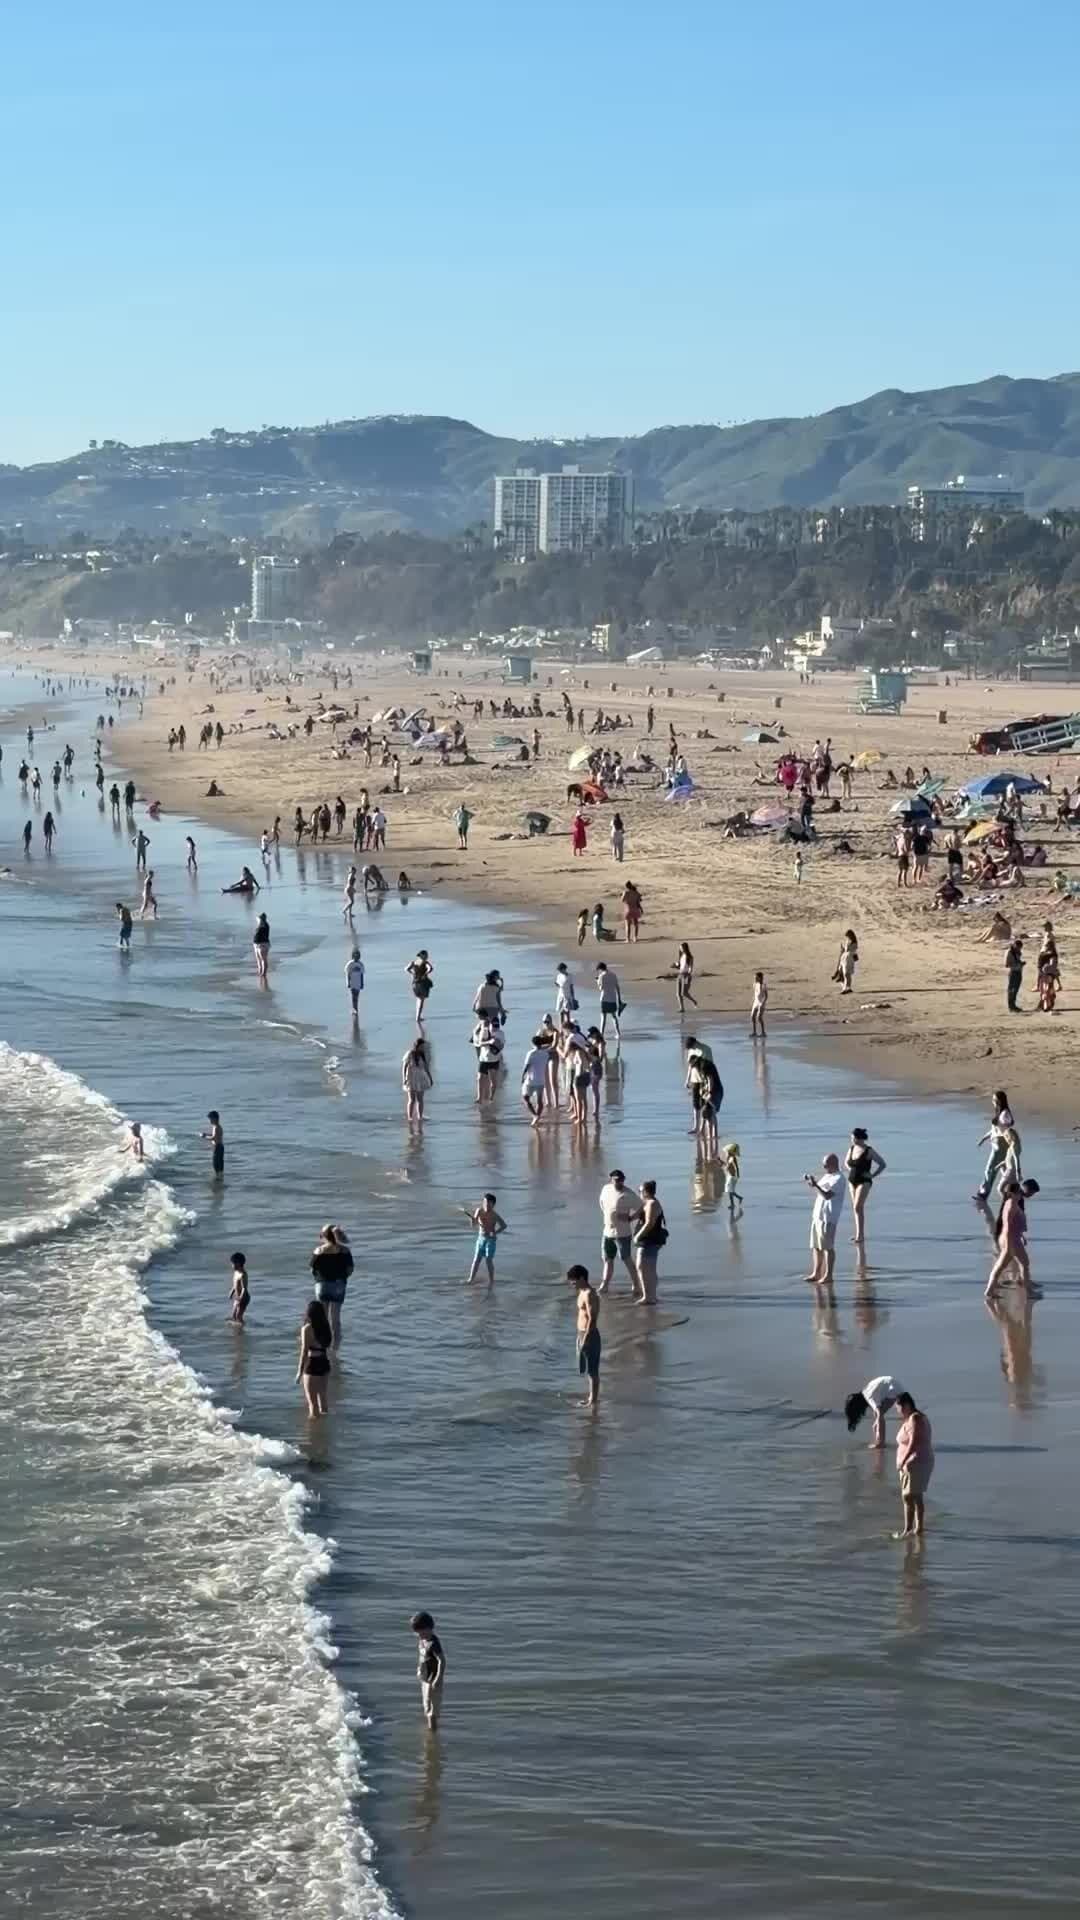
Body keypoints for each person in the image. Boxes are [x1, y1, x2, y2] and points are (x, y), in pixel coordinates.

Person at [986, 1178, 1040, 1298]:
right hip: (1011, 1239)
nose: (1031, 1196)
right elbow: (1007, 1225)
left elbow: (1013, 1223)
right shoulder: (1012, 1204)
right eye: (1031, 1193)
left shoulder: (1013, 1202)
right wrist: (1009, 1243)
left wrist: (1020, 1235)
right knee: (1011, 1265)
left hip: (1012, 1238)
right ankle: (1028, 1291)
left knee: (1018, 1264)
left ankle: (1024, 1286)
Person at [893, 1393, 933, 1539]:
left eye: (898, 1407)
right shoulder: (913, 1418)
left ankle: (908, 1530)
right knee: (915, 1496)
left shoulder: (915, 1418)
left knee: (909, 1497)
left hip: (916, 1462)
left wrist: (903, 1461)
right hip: (913, 1463)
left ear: (906, 1405)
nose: (897, 1411)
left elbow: (913, 1442)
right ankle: (917, 1529)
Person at [598, 1169, 641, 1294]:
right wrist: (609, 1217)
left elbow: (642, 1208)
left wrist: (631, 1218)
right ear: (611, 1179)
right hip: (607, 1231)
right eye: (616, 1180)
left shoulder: (629, 1194)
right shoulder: (606, 1189)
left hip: (622, 1233)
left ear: (624, 1180)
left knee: (626, 1259)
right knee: (607, 1259)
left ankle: (636, 1285)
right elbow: (602, 1204)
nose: (619, 1182)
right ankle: (604, 1285)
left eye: (621, 1180)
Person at [804, 1153, 844, 1286]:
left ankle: (828, 1275)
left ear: (833, 1164)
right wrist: (813, 1184)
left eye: (825, 1165)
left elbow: (827, 1195)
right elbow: (819, 1190)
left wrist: (816, 1185)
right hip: (818, 1215)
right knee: (816, 1246)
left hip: (829, 1217)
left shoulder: (839, 1179)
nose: (824, 1167)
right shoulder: (827, 1176)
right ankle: (816, 1273)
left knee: (827, 1247)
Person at [311, 1223, 354, 1345]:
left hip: (322, 1286)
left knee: (323, 1318)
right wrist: (342, 1278)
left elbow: (312, 1269)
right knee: (335, 1319)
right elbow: (350, 1269)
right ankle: (335, 1347)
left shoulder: (319, 1250)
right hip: (338, 1286)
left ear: (324, 1236)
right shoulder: (345, 1250)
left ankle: (323, 1345)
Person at [844, 1127, 886, 1248]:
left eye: (853, 1138)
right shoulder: (852, 1149)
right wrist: (851, 1170)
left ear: (859, 1138)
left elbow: (882, 1164)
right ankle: (859, 1234)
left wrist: (872, 1175)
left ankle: (860, 1235)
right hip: (852, 1181)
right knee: (856, 1209)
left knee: (857, 1206)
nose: (852, 1140)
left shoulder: (868, 1150)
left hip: (864, 1181)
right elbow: (846, 1162)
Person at [845, 1374, 906, 1449]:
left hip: (892, 1389)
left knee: (879, 1415)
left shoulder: (869, 1396)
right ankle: (878, 1439)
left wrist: (881, 1442)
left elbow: (879, 1413)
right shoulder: (866, 1391)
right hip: (895, 1386)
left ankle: (881, 1443)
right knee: (876, 1419)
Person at [975, 1091, 1015, 1200]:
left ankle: (983, 1193)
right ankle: (1014, 1191)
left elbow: (1007, 1129)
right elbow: (994, 1130)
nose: (993, 1101)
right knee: (1004, 1170)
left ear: (1000, 1101)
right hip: (997, 1146)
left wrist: (1007, 1136)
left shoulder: (1005, 1114)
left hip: (1001, 1146)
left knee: (990, 1169)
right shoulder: (1000, 1113)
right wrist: (983, 1138)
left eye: (994, 1100)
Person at [571, 1264, 602, 1410]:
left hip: (590, 1334)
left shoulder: (590, 1294)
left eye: (574, 1280)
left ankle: (593, 1401)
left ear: (582, 1278)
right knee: (585, 1369)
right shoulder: (581, 1291)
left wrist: (586, 1339)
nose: (572, 1283)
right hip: (581, 1333)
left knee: (592, 1370)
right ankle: (591, 1397)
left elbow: (592, 1319)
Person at [296, 1299, 332, 1418]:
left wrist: (299, 1372)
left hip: (312, 1365)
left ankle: (314, 1428)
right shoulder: (325, 1327)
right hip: (324, 1363)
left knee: (312, 1404)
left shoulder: (307, 1329)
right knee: (323, 1400)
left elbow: (304, 1352)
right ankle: (325, 1425)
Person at [410, 1611, 446, 1731]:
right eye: (417, 1633)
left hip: (434, 1679)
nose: (419, 1635)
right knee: (426, 1706)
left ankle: (432, 1733)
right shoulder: (422, 1640)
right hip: (425, 1677)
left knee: (432, 1710)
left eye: (421, 1632)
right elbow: (422, 1656)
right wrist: (419, 1669)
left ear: (429, 1628)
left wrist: (438, 1678)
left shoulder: (434, 1643)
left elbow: (442, 1661)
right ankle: (430, 1731)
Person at [633, 1180, 667, 1304]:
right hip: (649, 1240)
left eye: (640, 1191)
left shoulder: (652, 1203)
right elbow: (638, 1214)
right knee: (649, 1268)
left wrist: (637, 1236)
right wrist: (628, 1218)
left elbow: (649, 1223)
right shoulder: (648, 1202)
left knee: (642, 1267)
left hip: (649, 1240)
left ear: (646, 1192)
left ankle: (648, 1296)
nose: (639, 1193)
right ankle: (652, 1295)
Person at [468, 1193, 507, 1284]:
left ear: (493, 1205)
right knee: (476, 1259)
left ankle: (491, 1281)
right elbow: (473, 1225)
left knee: (488, 1260)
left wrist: (495, 1233)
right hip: (481, 1238)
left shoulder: (495, 1215)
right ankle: (470, 1279)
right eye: (485, 1203)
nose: (486, 1205)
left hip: (491, 1240)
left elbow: (504, 1225)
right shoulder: (479, 1211)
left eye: (489, 1203)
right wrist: (472, 1220)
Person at [520, 1032, 551, 1124]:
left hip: (531, 1080)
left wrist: (522, 1076)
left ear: (532, 1043)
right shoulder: (546, 1054)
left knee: (525, 1098)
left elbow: (527, 1066)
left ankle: (535, 1115)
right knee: (539, 1101)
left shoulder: (531, 1053)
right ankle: (536, 1118)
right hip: (541, 1080)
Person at [402, 1038, 433, 1125]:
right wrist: (404, 1078)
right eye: (422, 1046)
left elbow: (426, 1068)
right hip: (411, 1077)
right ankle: (410, 1117)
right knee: (411, 1099)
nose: (423, 1048)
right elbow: (404, 1066)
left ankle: (420, 1116)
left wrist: (430, 1078)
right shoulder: (409, 1054)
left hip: (420, 1078)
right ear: (418, 1046)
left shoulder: (423, 1055)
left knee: (420, 1099)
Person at [473, 1016, 504, 1102]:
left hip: (494, 1060)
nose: (495, 1028)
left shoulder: (501, 1033)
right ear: (490, 1024)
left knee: (493, 1081)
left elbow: (501, 1046)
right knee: (480, 1078)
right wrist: (489, 1042)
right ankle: (479, 1098)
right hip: (483, 1059)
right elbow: (480, 1043)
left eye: (497, 1026)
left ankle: (491, 1097)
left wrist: (496, 1043)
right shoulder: (485, 1031)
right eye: (493, 1025)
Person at [406, 950, 434, 1025]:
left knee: (418, 1000)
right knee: (421, 1001)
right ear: (423, 956)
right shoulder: (425, 962)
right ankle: (418, 1017)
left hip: (414, 983)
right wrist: (426, 974)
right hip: (422, 983)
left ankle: (417, 1016)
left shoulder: (413, 962)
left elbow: (406, 969)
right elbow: (430, 968)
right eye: (426, 955)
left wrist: (412, 974)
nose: (427, 956)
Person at [596, 959, 622, 1039]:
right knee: (614, 1016)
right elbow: (617, 987)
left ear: (600, 969)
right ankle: (618, 1033)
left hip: (604, 998)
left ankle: (601, 1034)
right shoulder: (613, 974)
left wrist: (597, 981)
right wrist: (619, 998)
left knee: (603, 1017)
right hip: (613, 998)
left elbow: (601, 988)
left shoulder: (601, 976)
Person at [230, 1250, 251, 1326]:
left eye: (232, 1264)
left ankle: (241, 1328)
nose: (231, 1266)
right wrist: (232, 1292)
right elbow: (235, 1284)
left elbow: (244, 1288)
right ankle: (236, 1327)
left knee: (238, 1316)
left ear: (238, 1263)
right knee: (233, 1315)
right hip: (237, 1296)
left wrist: (240, 1299)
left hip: (244, 1298)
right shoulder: (236, 1272)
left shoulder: (243, 1275)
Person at [1004, 935, 1025, 1012]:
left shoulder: (1017, 952)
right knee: (1011, 990)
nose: (1019, 949)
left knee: (1015, 990)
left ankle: (1013, 1005)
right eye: (1018, 947)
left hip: (1018, 972)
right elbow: (1006, 964)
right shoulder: (1009, 952)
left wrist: (1020, 963)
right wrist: (1016, 964)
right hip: (1013, 972)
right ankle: (1011, 1006)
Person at [202, 1110, 225, 1178]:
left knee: (216, 1165)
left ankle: (218, 1179)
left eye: (210, 1119)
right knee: (219, 1165)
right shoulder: (217, 1126)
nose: (210, 1121)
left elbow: (213, 1138)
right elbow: (215, 1135)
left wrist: (204, 1137)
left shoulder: (216, 1127)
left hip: (217, 1147)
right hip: (220, 1147)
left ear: (214, 1119)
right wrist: (206, 1134)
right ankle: (220, 1178)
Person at [836, 929, 858, 995]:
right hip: (844, 958)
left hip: (849, 958)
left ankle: (847, 988)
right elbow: (845, 950)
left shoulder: (854, 942)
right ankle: (845, 987)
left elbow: (852, 950)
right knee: (842, 973)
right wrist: (843, 949)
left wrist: (845, 949)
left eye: (848, 936)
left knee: (847, 973)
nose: (847, 937)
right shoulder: (848, 941)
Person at [345, 946, 365, 1014]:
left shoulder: (360, 964)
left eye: (357, 955)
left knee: (357, 996)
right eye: (355, 955)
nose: (356, 957)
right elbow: (348, 974)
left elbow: (362, 974)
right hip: (352, 982)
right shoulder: (350, 964)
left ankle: (355, 1008)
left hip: (358, 983)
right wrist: (348, 982)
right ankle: (354, 1008)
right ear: (353, 956)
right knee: (353, 996)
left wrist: (362, 983)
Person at [252, 911, 271, 979]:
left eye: (260, 918)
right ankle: (260, 971)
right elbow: (257, 918)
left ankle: (263, 973)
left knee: (263, 959)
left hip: (263, 944)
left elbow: (258, 919)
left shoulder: (264, 925)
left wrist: (259, 919)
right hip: (256, 944)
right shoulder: (261, 924)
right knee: (258, 959)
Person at [750, 970, 768, 1037]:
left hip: (761, 1003)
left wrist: (763, 1003)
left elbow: (766, 996)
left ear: (760, 978)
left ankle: (763, 1032)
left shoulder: (764, 985)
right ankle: (754, 1032)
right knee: (752, 1016)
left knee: (759, 1018)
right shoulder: (754, 984)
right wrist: (753, 1000)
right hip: (756, 1002)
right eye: (755, 977)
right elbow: (755, 992)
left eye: (756, 977)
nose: (755, 978)